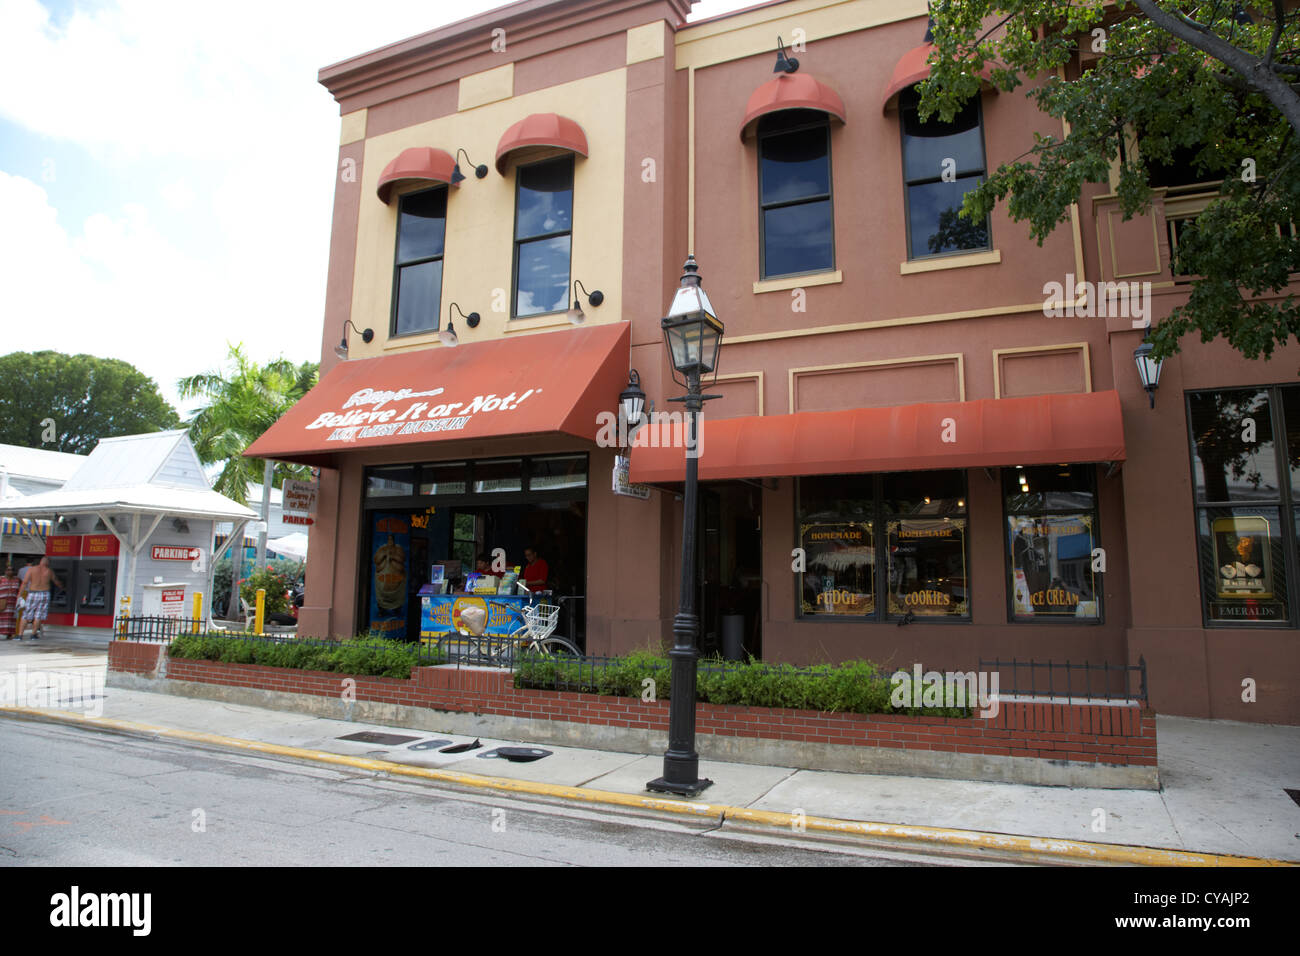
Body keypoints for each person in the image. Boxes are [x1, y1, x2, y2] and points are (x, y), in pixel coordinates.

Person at [18, 556, 62, 641]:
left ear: (40, 561)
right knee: (38, 615)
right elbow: (57, 582)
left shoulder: (32, 569)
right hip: (44, 594)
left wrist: (19, 595)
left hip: (32, 593)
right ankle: (33, 634)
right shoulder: (49, 571)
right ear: (48, 563)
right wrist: (63, 587)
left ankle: (20, 635)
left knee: (26, 615)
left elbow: (24, 582)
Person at [0, 565, 20, 640]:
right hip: (2, 602)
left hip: (13, 603)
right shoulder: (1, 579)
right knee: (2, 618)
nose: (10, 571)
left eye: (12, 570)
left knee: (11, 619)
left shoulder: (17, 580)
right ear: (5, 571)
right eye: (8, 570)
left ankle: (10, 634)